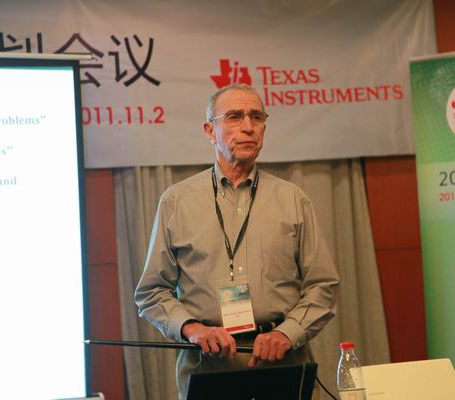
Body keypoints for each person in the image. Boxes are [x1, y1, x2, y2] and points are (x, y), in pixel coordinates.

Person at [134, 83, 339, 399]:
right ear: (210, 131)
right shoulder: (176, 202)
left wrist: (288, 333)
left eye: (256, 117)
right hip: (208, 365)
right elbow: (151, 292)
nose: (248, 126)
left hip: (282, 361)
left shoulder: (293, 200)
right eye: (234, 116)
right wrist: (192, 328)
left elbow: (323, 286)